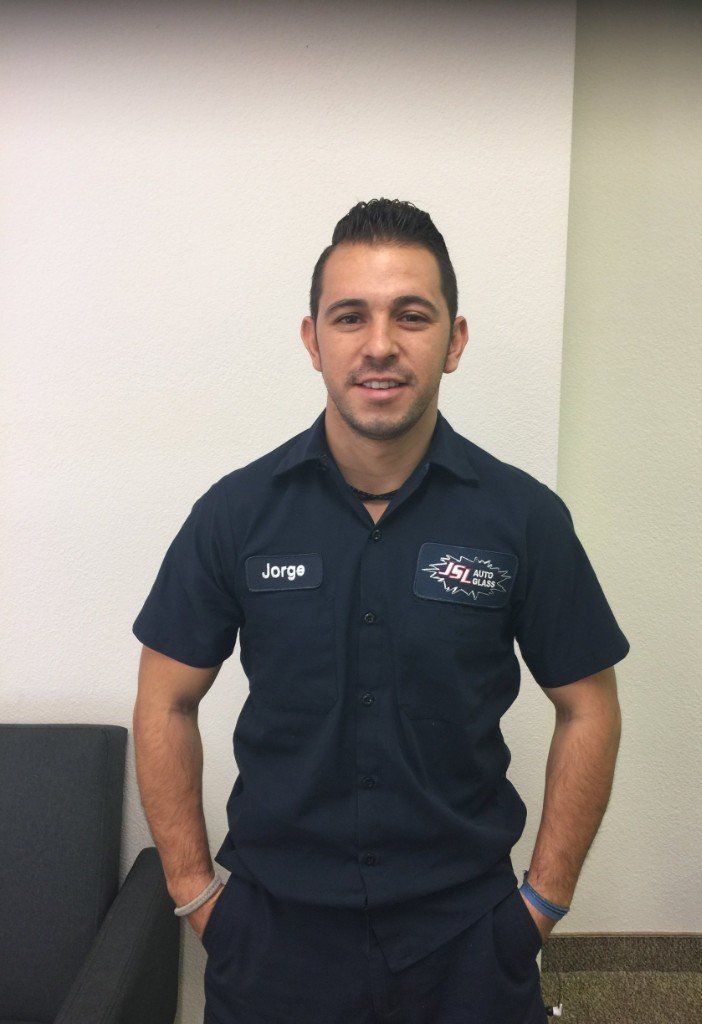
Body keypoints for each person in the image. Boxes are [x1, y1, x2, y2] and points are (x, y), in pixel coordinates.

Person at [132, 198, 630, 1024]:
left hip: (468, 947)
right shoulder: (235, 514)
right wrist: (194, 895)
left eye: (412, 315)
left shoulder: (524, 519)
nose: (380, 345)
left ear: (455, 340)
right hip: (273, 945)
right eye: (350, 316)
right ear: (313, 340)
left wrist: (539, 906)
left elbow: (589, 708)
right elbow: (165, 699)